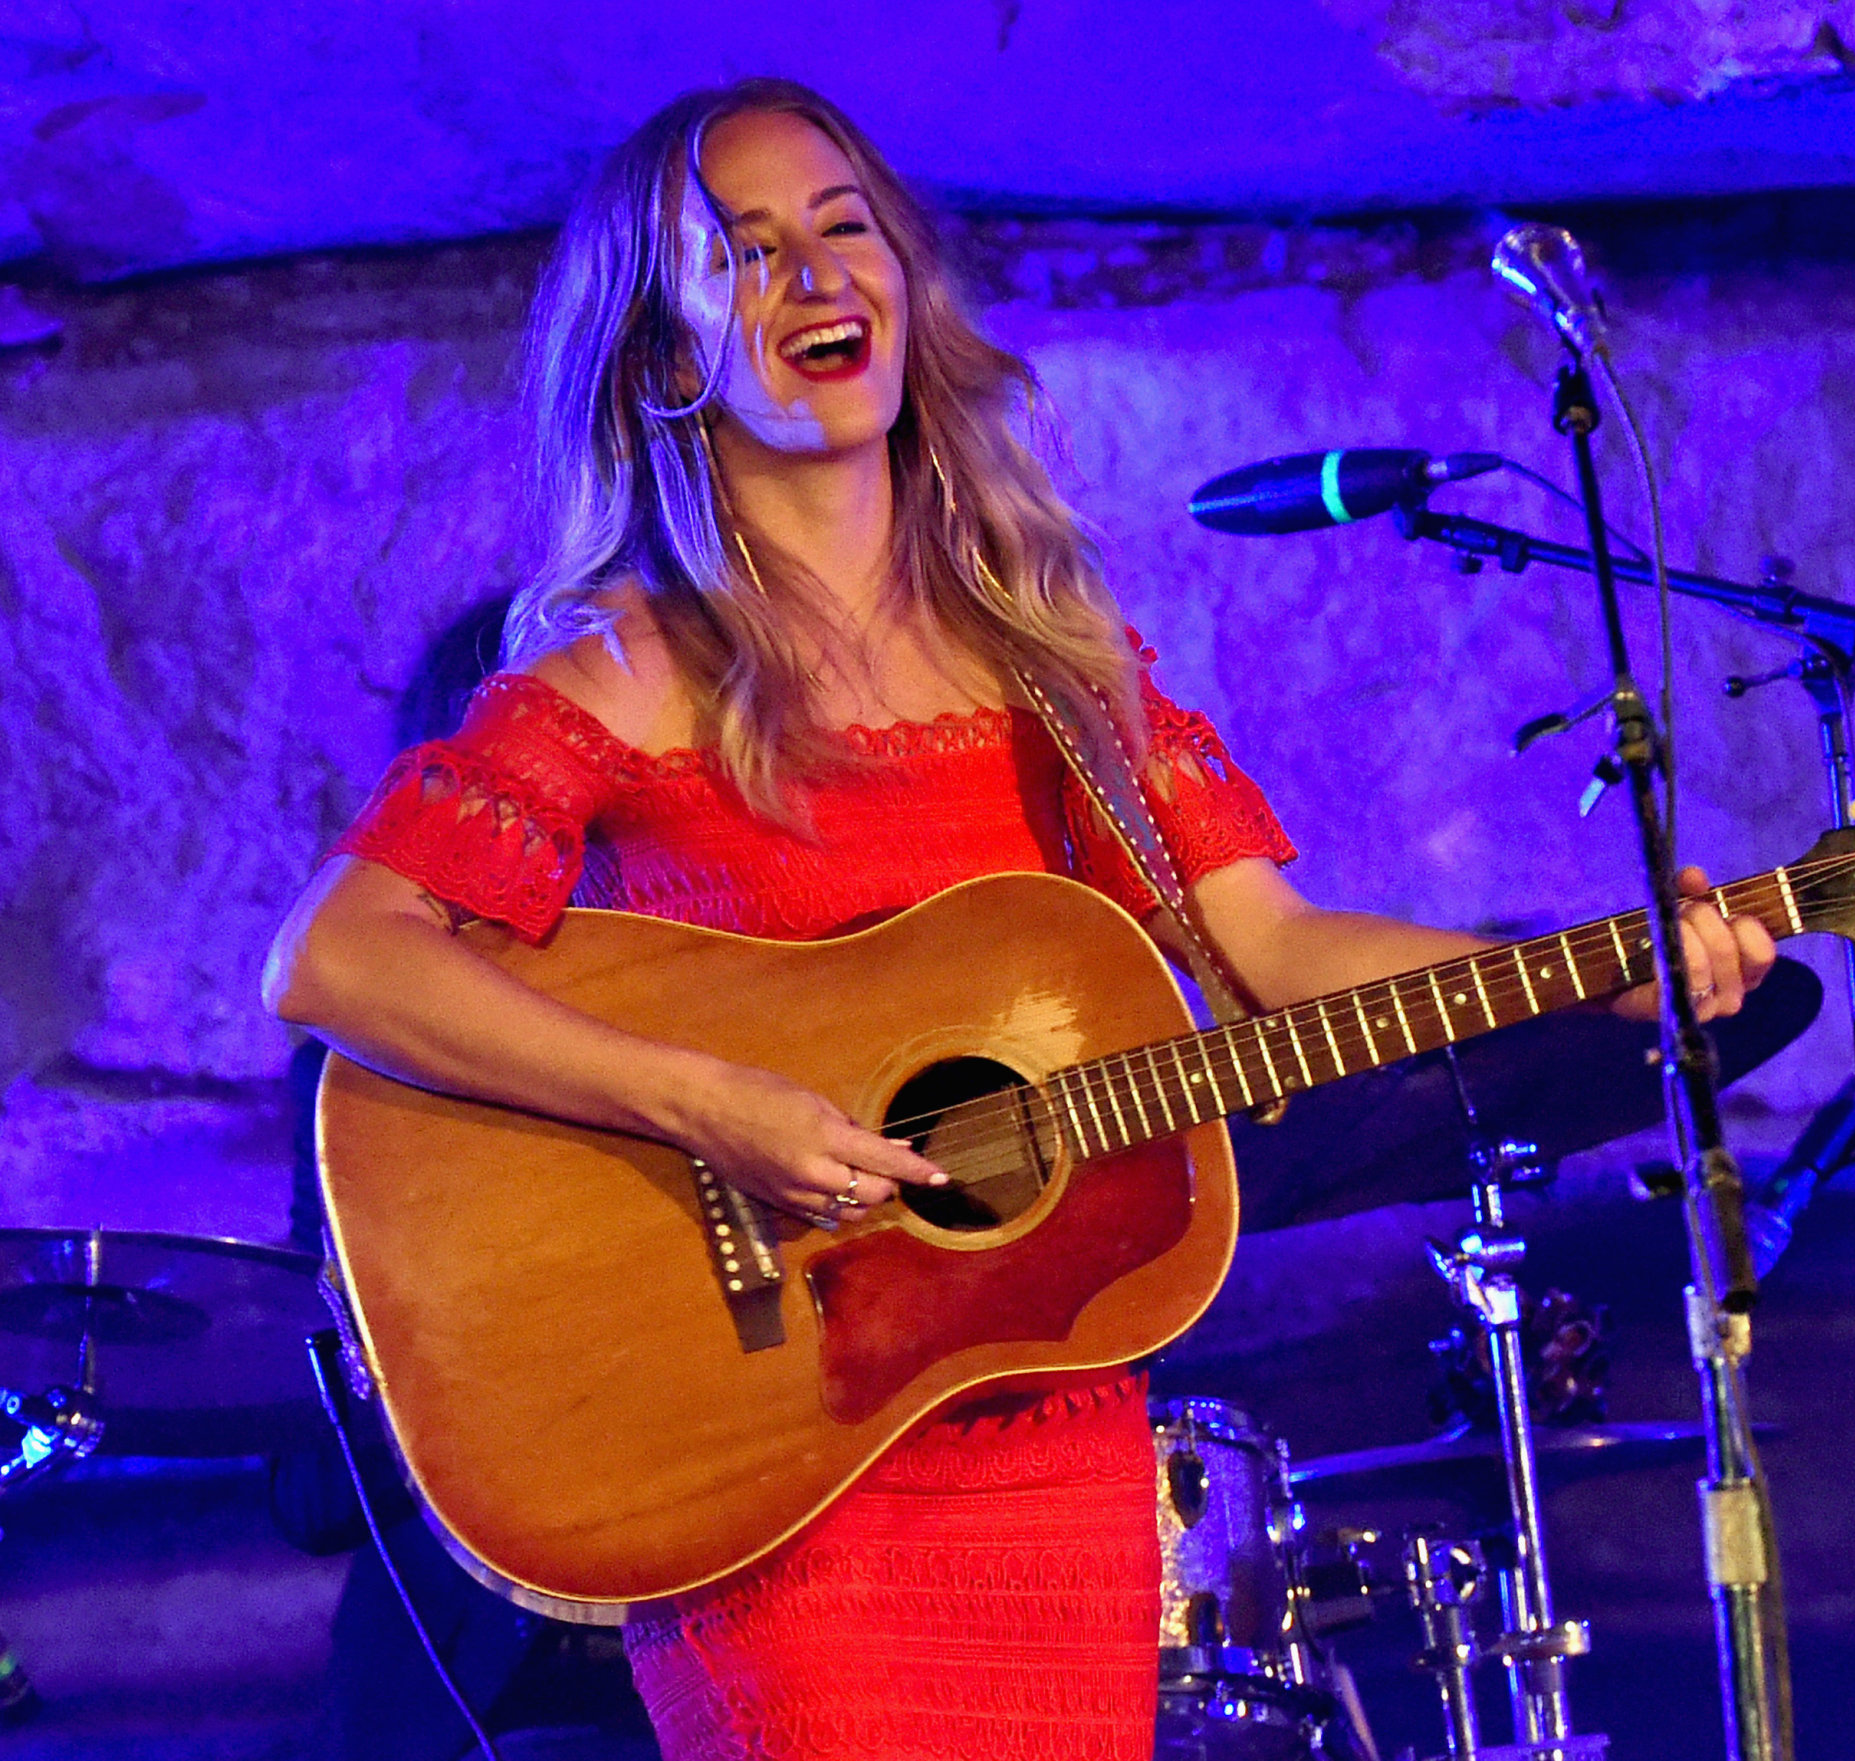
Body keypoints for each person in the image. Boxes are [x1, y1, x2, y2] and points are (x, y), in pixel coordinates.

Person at [263, 78, 1774, 1761]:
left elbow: (1272, 957)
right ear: (671, 352)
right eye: (746, 252)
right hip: (775, 1467)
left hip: (1046, 1426)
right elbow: (336, 956)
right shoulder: (629, 664)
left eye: (845, 230)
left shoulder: (1061, 666)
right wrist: (711, 1107)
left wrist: (1593, 967)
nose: (816, 276)